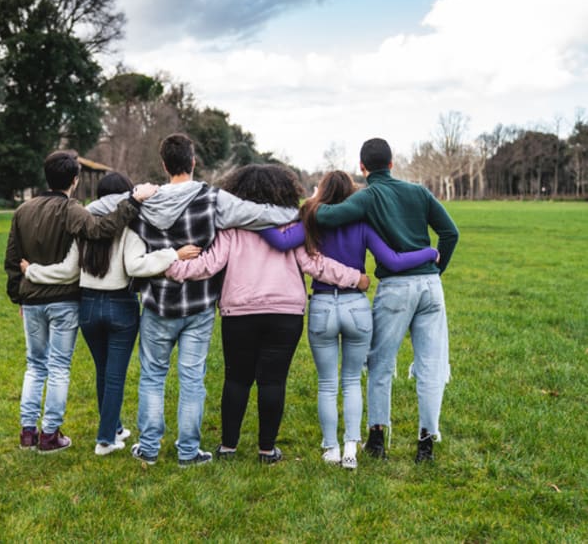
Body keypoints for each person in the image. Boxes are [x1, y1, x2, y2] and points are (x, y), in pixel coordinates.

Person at [90, 133, 300, 467]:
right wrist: (303, 210)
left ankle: (148, 448)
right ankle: (188, 451)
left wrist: (133, 195)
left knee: (153, 377)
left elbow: (95, 209)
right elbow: (266, 215)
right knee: (191, 379)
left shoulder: (145, 200)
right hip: (199, 304)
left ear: (163, 164)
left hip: (157, 301)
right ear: (192, 162)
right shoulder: (214, 199)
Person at [166, 164, 370, 464]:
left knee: (237, 379)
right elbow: (315, 264)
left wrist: (170, 265)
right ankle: (266, 450)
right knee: (273, 382)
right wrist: (356, 278)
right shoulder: (290, 223)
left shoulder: (232, 226)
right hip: (285, 314)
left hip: (239, 312)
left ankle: (228, 446)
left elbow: (209, 264)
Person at [258, 170, 439, 468]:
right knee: (352, 381)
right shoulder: (361, 223)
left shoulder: (312, 219)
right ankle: (351, 450)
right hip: (356, 307)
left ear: (323, 192)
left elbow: (281, 242)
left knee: (327, 383)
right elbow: (393, 260)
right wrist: (429, 252)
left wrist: (255, 220)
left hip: (324, 306)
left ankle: (330, 449)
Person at [19, 172, 201, 456]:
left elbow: (67, 271)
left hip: (88, 307)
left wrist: (31, 271)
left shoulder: (84, 228)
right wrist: (173, 255)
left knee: (103, 371)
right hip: (120, 306)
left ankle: (115, 427)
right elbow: (136, 266)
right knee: (115, 375)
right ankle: (105, 440)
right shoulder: (129, 227)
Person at [315, 138, 459, 463]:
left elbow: (325, 217)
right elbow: (451, 233)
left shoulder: (368, 196)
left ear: (362, 167)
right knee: (431, 365)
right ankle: (426, 442)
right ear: (392, 163)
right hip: (430, 286)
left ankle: (377, 439)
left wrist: (314, 200)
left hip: (396, 287)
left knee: (380, 363)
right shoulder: (419, 192)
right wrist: (437, 269)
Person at [4, 150, 157, 453]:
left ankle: (27, 432)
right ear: (75, 180)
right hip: (64, 301)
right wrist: (132, 203)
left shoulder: (22, 210)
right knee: (59, 366)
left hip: (34, 301)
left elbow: (12, 259)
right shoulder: (71, 210)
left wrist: (18, 296)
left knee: (34, 366)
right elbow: (100, 231)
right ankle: (50, 435)